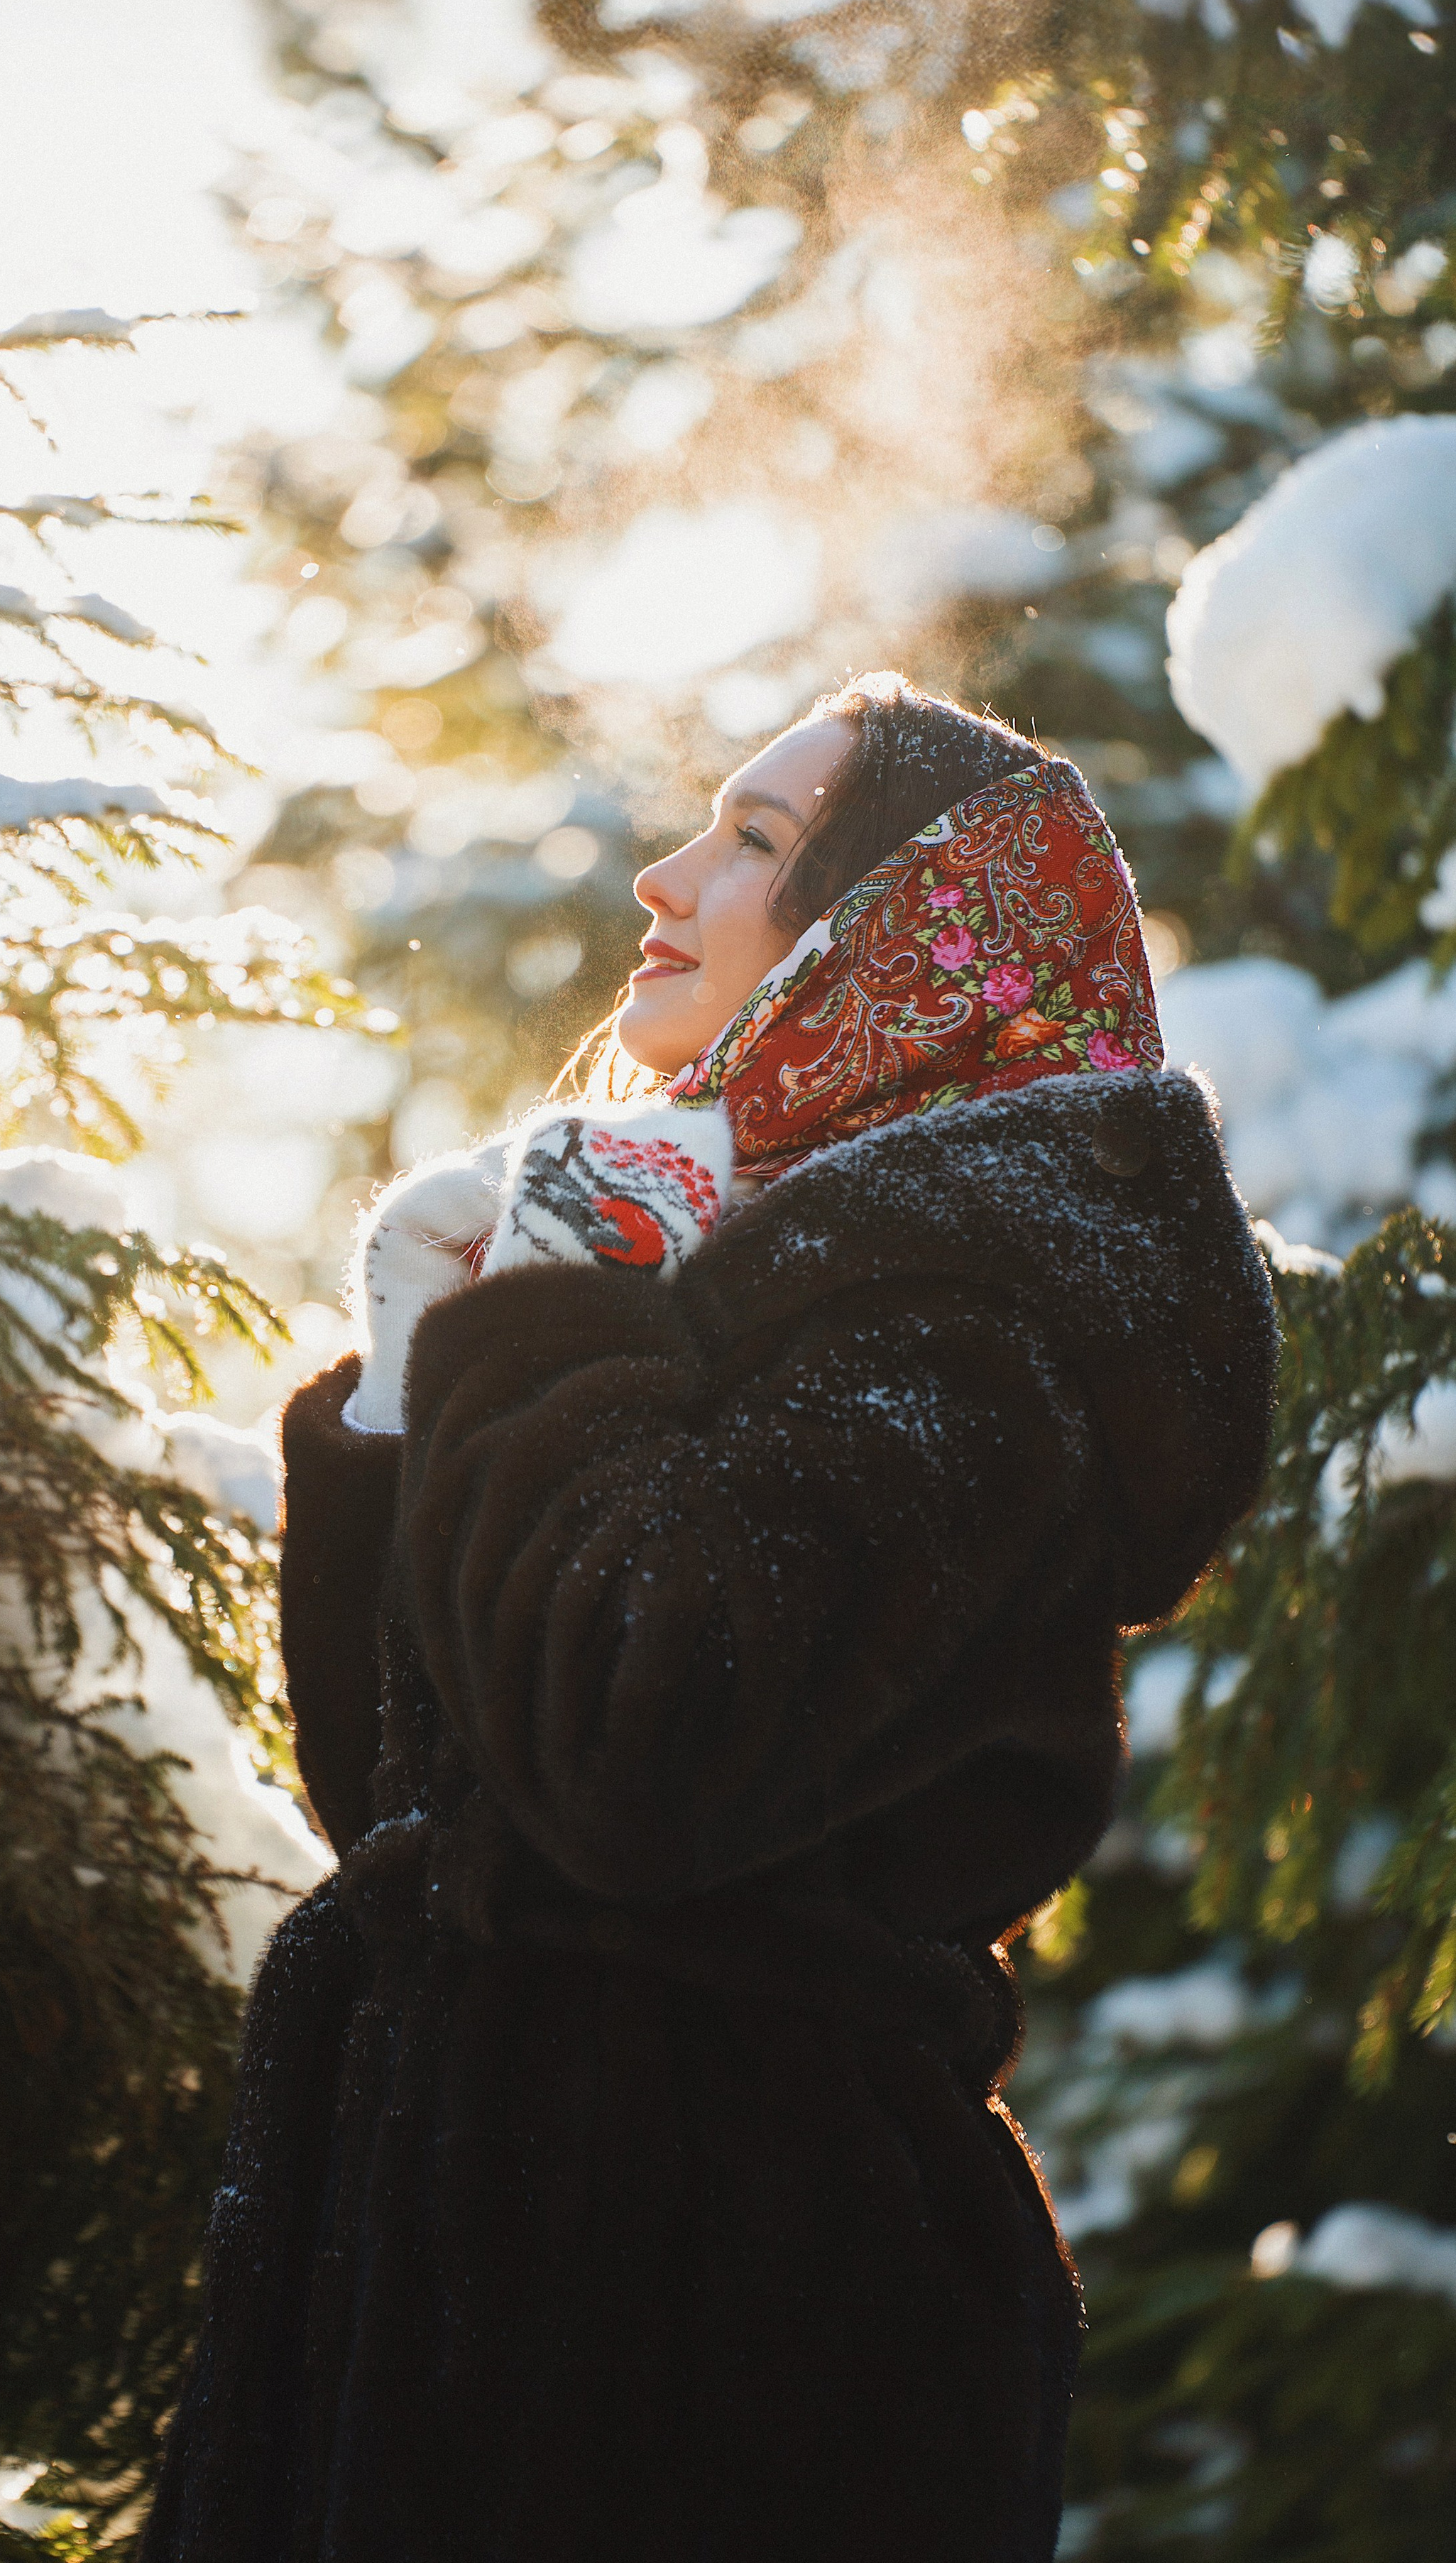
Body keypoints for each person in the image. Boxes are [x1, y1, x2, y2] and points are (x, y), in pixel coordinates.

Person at [142, 674, 1277, 2563]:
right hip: (463, 2268)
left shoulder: (965, 1327)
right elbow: (423, 1811)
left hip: (717, 2319)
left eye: (757, 840)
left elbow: (634, 1755)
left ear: (910, 929)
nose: (667, 878)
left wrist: (567, 1308)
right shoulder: (745, 1275)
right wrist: (426, 1364)